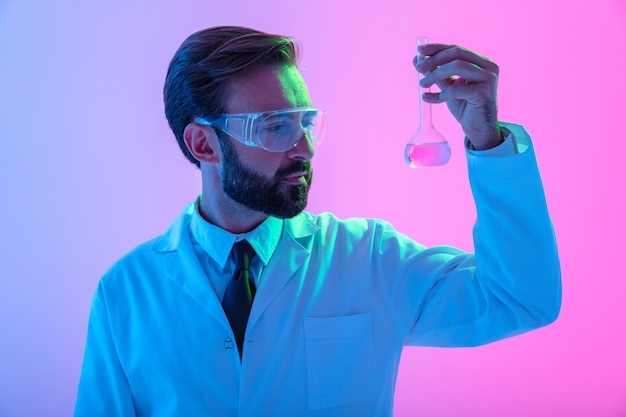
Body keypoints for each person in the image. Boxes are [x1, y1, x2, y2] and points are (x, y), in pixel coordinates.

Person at [74, 26, 562, 416]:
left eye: (306, 122)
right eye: (274, 126)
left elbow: (519, 299)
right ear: (203, 145)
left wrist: (488, 140)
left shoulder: (369, 259)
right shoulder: (124, 295)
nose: (304, 148)